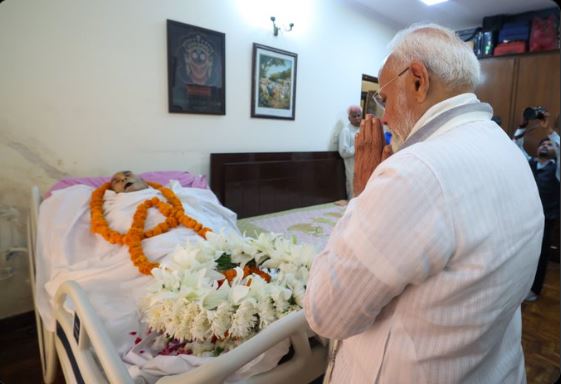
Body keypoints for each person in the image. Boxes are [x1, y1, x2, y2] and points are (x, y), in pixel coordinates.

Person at [304, 23, 543, 383]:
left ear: (417, 79)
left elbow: (327, 312)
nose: (382, 117)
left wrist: (364, 194)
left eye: (384, 99)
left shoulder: (416, 171)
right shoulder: (510, 150)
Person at [513, 107, 560, 301]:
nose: (545, 145)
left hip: (546, 220)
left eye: (550, 144)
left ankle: (534, 290)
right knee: (522, 253)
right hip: (524, 217)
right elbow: (515, 145)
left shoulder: (557, 171)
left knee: (540, 256)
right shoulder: (530, 163)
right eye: (543, 143)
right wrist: (524, 124)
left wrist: (549, 131)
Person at [338, 105, 362, 199]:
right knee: (353, 189)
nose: (357, 118)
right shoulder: (345, 131)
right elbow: (343, 152)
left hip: (363, 165)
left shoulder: (363, 128)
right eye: (354, 116)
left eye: (359, 115)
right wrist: (358, 146)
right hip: (352, 166)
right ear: (349, 118)